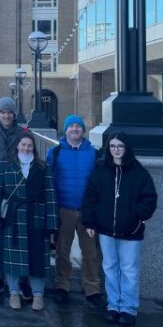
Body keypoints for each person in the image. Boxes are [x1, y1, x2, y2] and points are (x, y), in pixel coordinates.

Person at [82, 133, 157, 326]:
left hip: (131, 230)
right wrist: (90, 222)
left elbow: (149, 198)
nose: (116, 149)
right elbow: (90, 197)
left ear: (126, 148)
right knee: (110, 267)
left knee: (129, 269)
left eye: (120, 146)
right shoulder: (101, 171)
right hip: (106, 229)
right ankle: (113, 305)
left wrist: (136, 215)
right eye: (113, 146)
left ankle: (129, 307)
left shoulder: (139, 172)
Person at [0, 132, 58, 311]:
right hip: (14, 217)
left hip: (36, 217)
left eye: (30, 145)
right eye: (23, 145)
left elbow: (50, 195)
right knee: (12, 258)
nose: (27, 148)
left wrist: (51, 222)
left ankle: (38, 295)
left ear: (33, 148)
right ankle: (13, 292)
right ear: (17, 146)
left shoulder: (43, 167)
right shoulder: (5, 165)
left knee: (38, 259)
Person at [46, 115, 101, 305]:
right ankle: (62, 285)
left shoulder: (94, 153)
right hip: (64, 209)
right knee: (62, 251)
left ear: (83, 131)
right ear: (66, 130)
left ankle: (92, 287)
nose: (75, 129)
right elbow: (49, 180)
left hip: (87, 211)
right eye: (71, 126)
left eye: (78, 126)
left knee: (90, 252)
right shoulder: (55, 152)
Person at [0, 96, 30, 299]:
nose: (6, 115)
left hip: (19, 193)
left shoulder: (23, 133)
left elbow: (30, 157)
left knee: (21, 238)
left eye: (9, 112)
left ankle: (23, 280)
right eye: (3, 112)